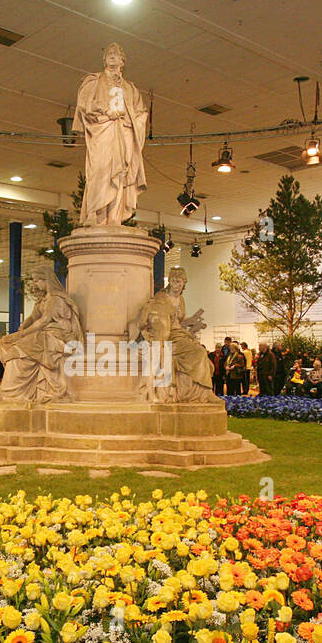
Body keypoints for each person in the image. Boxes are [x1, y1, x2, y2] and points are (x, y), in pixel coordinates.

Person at [73, 43, 149, 226]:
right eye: (110, 54)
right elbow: (85, 105)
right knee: (100, 169)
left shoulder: (130, 88)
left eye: (117, 55)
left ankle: (115, 216)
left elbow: (141, 112)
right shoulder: (93, 80)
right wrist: (107, 113)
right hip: (102, 129)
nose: (113, 56)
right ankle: (95, 213)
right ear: (104, 59)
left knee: (122, 172)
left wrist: (129, 120)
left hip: (125, 131)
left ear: (123, 61)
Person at [0, 273, 84, 403]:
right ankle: (10, 390)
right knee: (11, 346)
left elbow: (44, 320)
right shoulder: (44, 299)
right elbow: (34, 318)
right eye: (34, 281)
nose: (35, 284)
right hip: (46, 333)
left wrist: (20, 335)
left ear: (47, 280)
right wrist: (23, 327)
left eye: (38, 280)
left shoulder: (55, 299)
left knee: (19, 350)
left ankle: (13, 392)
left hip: (57, 334)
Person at [128, 266, 215, 403]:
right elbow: (159, 320)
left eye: (179, 282)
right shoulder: (161, 297)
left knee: (200, 352)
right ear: (169, 282)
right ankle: (200, 393)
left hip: (178, 333)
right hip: (166, 335)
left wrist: (190, 322)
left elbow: (178, 323)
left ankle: (203, 392)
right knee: (198, 353)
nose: (176, 285)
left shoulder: (181, 299)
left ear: (184, 283)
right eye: (173, 281)